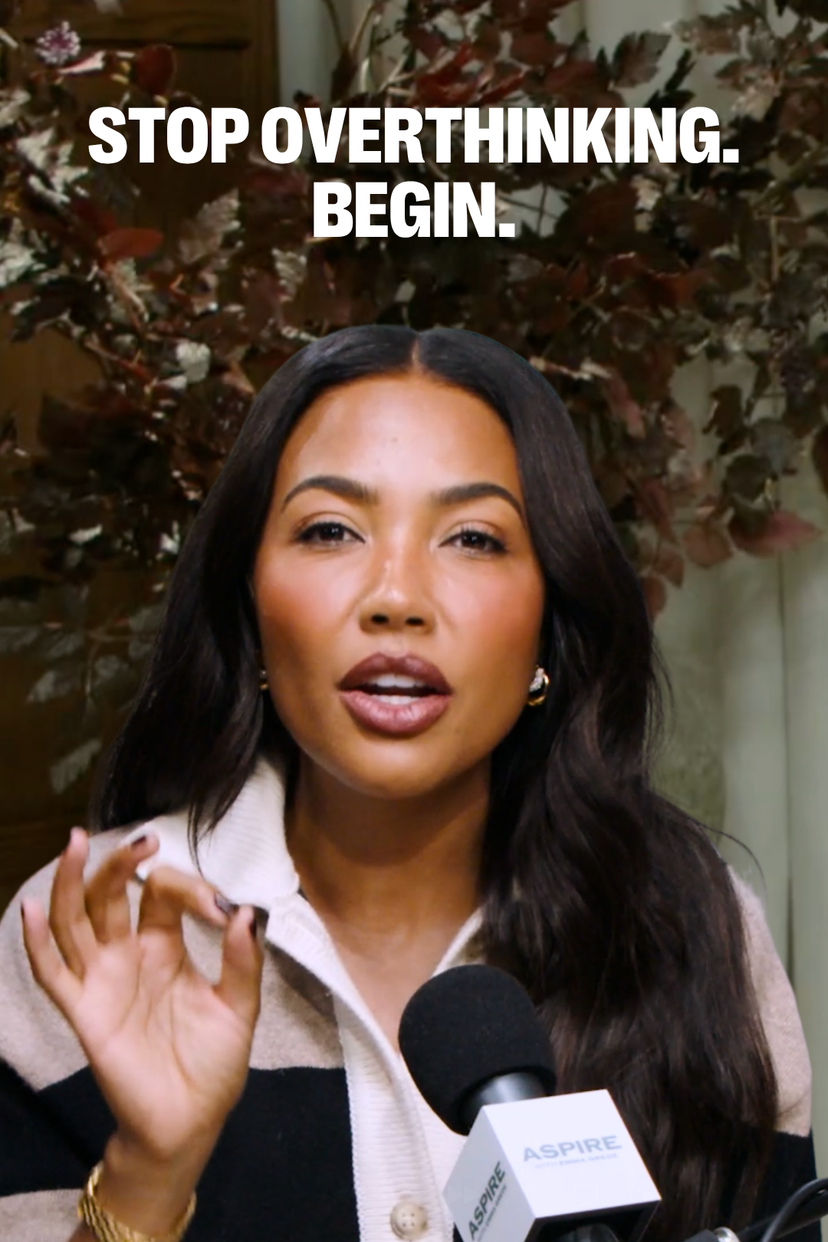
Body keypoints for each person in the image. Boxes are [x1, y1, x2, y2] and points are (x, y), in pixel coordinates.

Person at [0, 325, 816, 1242]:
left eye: (472, 537)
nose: (397, 596)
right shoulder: (98, 935)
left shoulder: (689, 926)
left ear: (551, 626)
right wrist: (150, 1173)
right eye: (330, 530)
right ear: (250, 605)